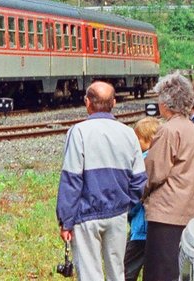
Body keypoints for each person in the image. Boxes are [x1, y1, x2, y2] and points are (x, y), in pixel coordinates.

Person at [57, 80, 146, 281]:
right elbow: (139, 180)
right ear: (114, 102)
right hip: (117, 214)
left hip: (85, 216)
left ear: (87, 102)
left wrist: (66, 221)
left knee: (90, 274)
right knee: (117, 272)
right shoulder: (128, 133)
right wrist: (126, 205)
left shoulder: (78, 132)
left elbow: (71, 180)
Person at [141, 72, 194, 281]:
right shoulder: (191, 127)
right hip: (189, 209)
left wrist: (139, 193)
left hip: (166, 213)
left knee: (159, 272)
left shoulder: (168, 130)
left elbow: (154, 171)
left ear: (166, 102)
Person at [126, 116, 162, 281]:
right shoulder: (163, 159)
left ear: (149, 140)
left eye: (138, 139)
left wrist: (127, 212)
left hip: (141, 228)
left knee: (126, 270)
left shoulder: (143, 161)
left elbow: (136, 194)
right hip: (158, 227)